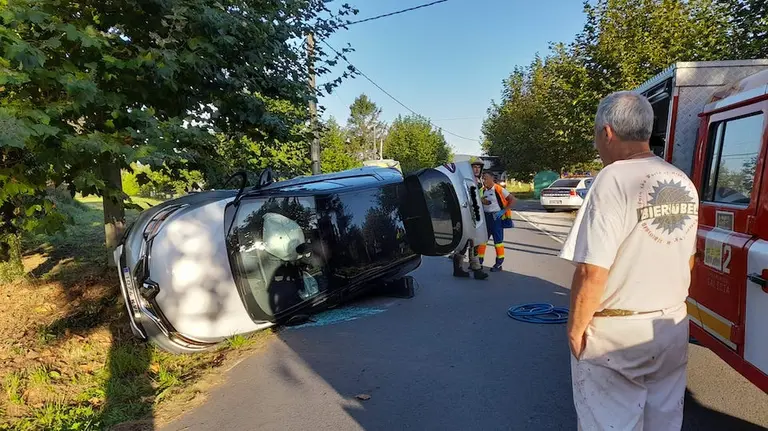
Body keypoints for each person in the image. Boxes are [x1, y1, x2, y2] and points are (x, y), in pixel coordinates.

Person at [560, 91, 699, 430]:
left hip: (617, 334)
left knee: (610, 423)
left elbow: (592, 270)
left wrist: (576, 330)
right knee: (663, 421)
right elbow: (689, 259)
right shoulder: (680, 180)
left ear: (607, 133)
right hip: (670, 323)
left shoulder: (612, 179)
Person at [452, 157, 488, 280]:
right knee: (464, 242)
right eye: (474, 167)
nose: (477, 169)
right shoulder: (466, 181)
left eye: (479, 167)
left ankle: (476, 268)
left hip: (476, 215)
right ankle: (458, 268)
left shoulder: (479, 181)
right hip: (466, 215)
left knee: (475, 242)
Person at [476, 171, 516, 272]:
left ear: (492, 179)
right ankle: (479, 263)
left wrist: (503, 211)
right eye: (483, 178)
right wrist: (481, 201)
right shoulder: (481, 190)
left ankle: (498, 264)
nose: (484, 180)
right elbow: (481, 203)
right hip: (485, 218)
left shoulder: (499, 189)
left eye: (486, 178)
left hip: (496, 218)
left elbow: (512, 200)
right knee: (482, 241)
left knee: (498, 242)